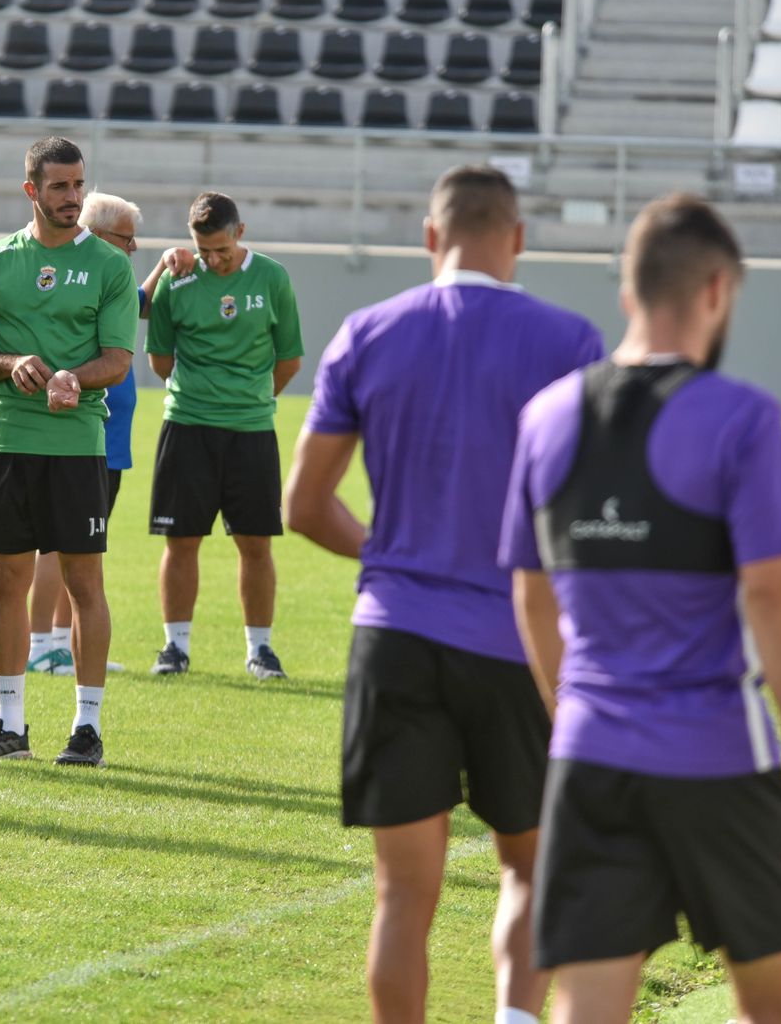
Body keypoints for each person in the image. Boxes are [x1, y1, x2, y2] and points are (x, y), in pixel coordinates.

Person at [499, 193, 781, 1024]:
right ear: (718, 289)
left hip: (590, 761)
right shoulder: (742, 417)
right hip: (719, 757)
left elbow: (530, 594)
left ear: (628, 291)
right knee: (775, 1009)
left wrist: (572, 710)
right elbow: (770, 594)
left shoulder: (545, 417)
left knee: (588, 1009)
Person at [282, 165, 603, 1024]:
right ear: (519, 239)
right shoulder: (572, 342)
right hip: (521, 645)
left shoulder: (368, 331)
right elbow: (595, 513)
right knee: (533, 868)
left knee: (401, 895)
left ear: (431, 236)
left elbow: (304, 506)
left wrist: (388, 557)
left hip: (396, 636)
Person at [0, 137, 139, 766]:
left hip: (77, 447)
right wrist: (14, 365)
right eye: (59, 186)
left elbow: (117, 360)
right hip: (8, 442)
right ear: (32, 190)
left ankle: (87, 728)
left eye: (79, 185)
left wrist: (71, 378)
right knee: (8, 579)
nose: (72, 197)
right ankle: (10, 724)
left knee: (85, 582)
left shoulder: (111, 267)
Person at [25, 191, 195, 677]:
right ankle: (40, 643)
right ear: (99, 236)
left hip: (108, 442)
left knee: (80, 547)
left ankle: (59, 641)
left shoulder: (106, 275)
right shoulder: (79, 276)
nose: (134, 245)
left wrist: (162, 268)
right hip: (79, 435)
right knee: (57, 545)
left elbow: (139, 304)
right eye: (127, 237)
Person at [145, 191, 304, 680]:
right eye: (204, 249)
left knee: (256, 544)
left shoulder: (273, 278)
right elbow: (161, 360)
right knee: (181, 539)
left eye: (222, 250)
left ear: (241, 232)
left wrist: (250, 398)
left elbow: (289, 358)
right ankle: (175, 647)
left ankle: (260, 649)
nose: (213, 259)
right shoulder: (177, 280)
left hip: (251, 429)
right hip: (187, 425)